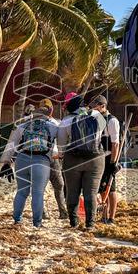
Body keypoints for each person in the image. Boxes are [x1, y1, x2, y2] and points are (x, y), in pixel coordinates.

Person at [1, 99, 59, 228]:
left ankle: (17, 219)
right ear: (48, 113)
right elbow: (58, 147)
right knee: (38, 193)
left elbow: (11, 145)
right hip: (41, 161)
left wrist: (6, 162)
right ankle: (37, 223)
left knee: (21, 191)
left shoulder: (23, 125)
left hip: (22, 159)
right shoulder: (53, 126)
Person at [56, 93, 107, 229]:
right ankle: (90, 224)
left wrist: (61, 155)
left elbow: (61, 146)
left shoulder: (66, 121)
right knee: (91, 192)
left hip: (73, 159)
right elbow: (100, 135)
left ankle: (73, 222)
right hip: (95, 159)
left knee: (72, 192)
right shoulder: (98, 116)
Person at [89, 95, 122, 225]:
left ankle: (111, 217)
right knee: (101, 188)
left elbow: (115, 144)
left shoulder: (112, 121)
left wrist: (113, 163)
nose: (94, 109)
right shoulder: (96, 119)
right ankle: (104, 215)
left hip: (108, 157)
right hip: (98, 157)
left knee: (110, 187)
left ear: (103, 106)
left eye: (96, 106)